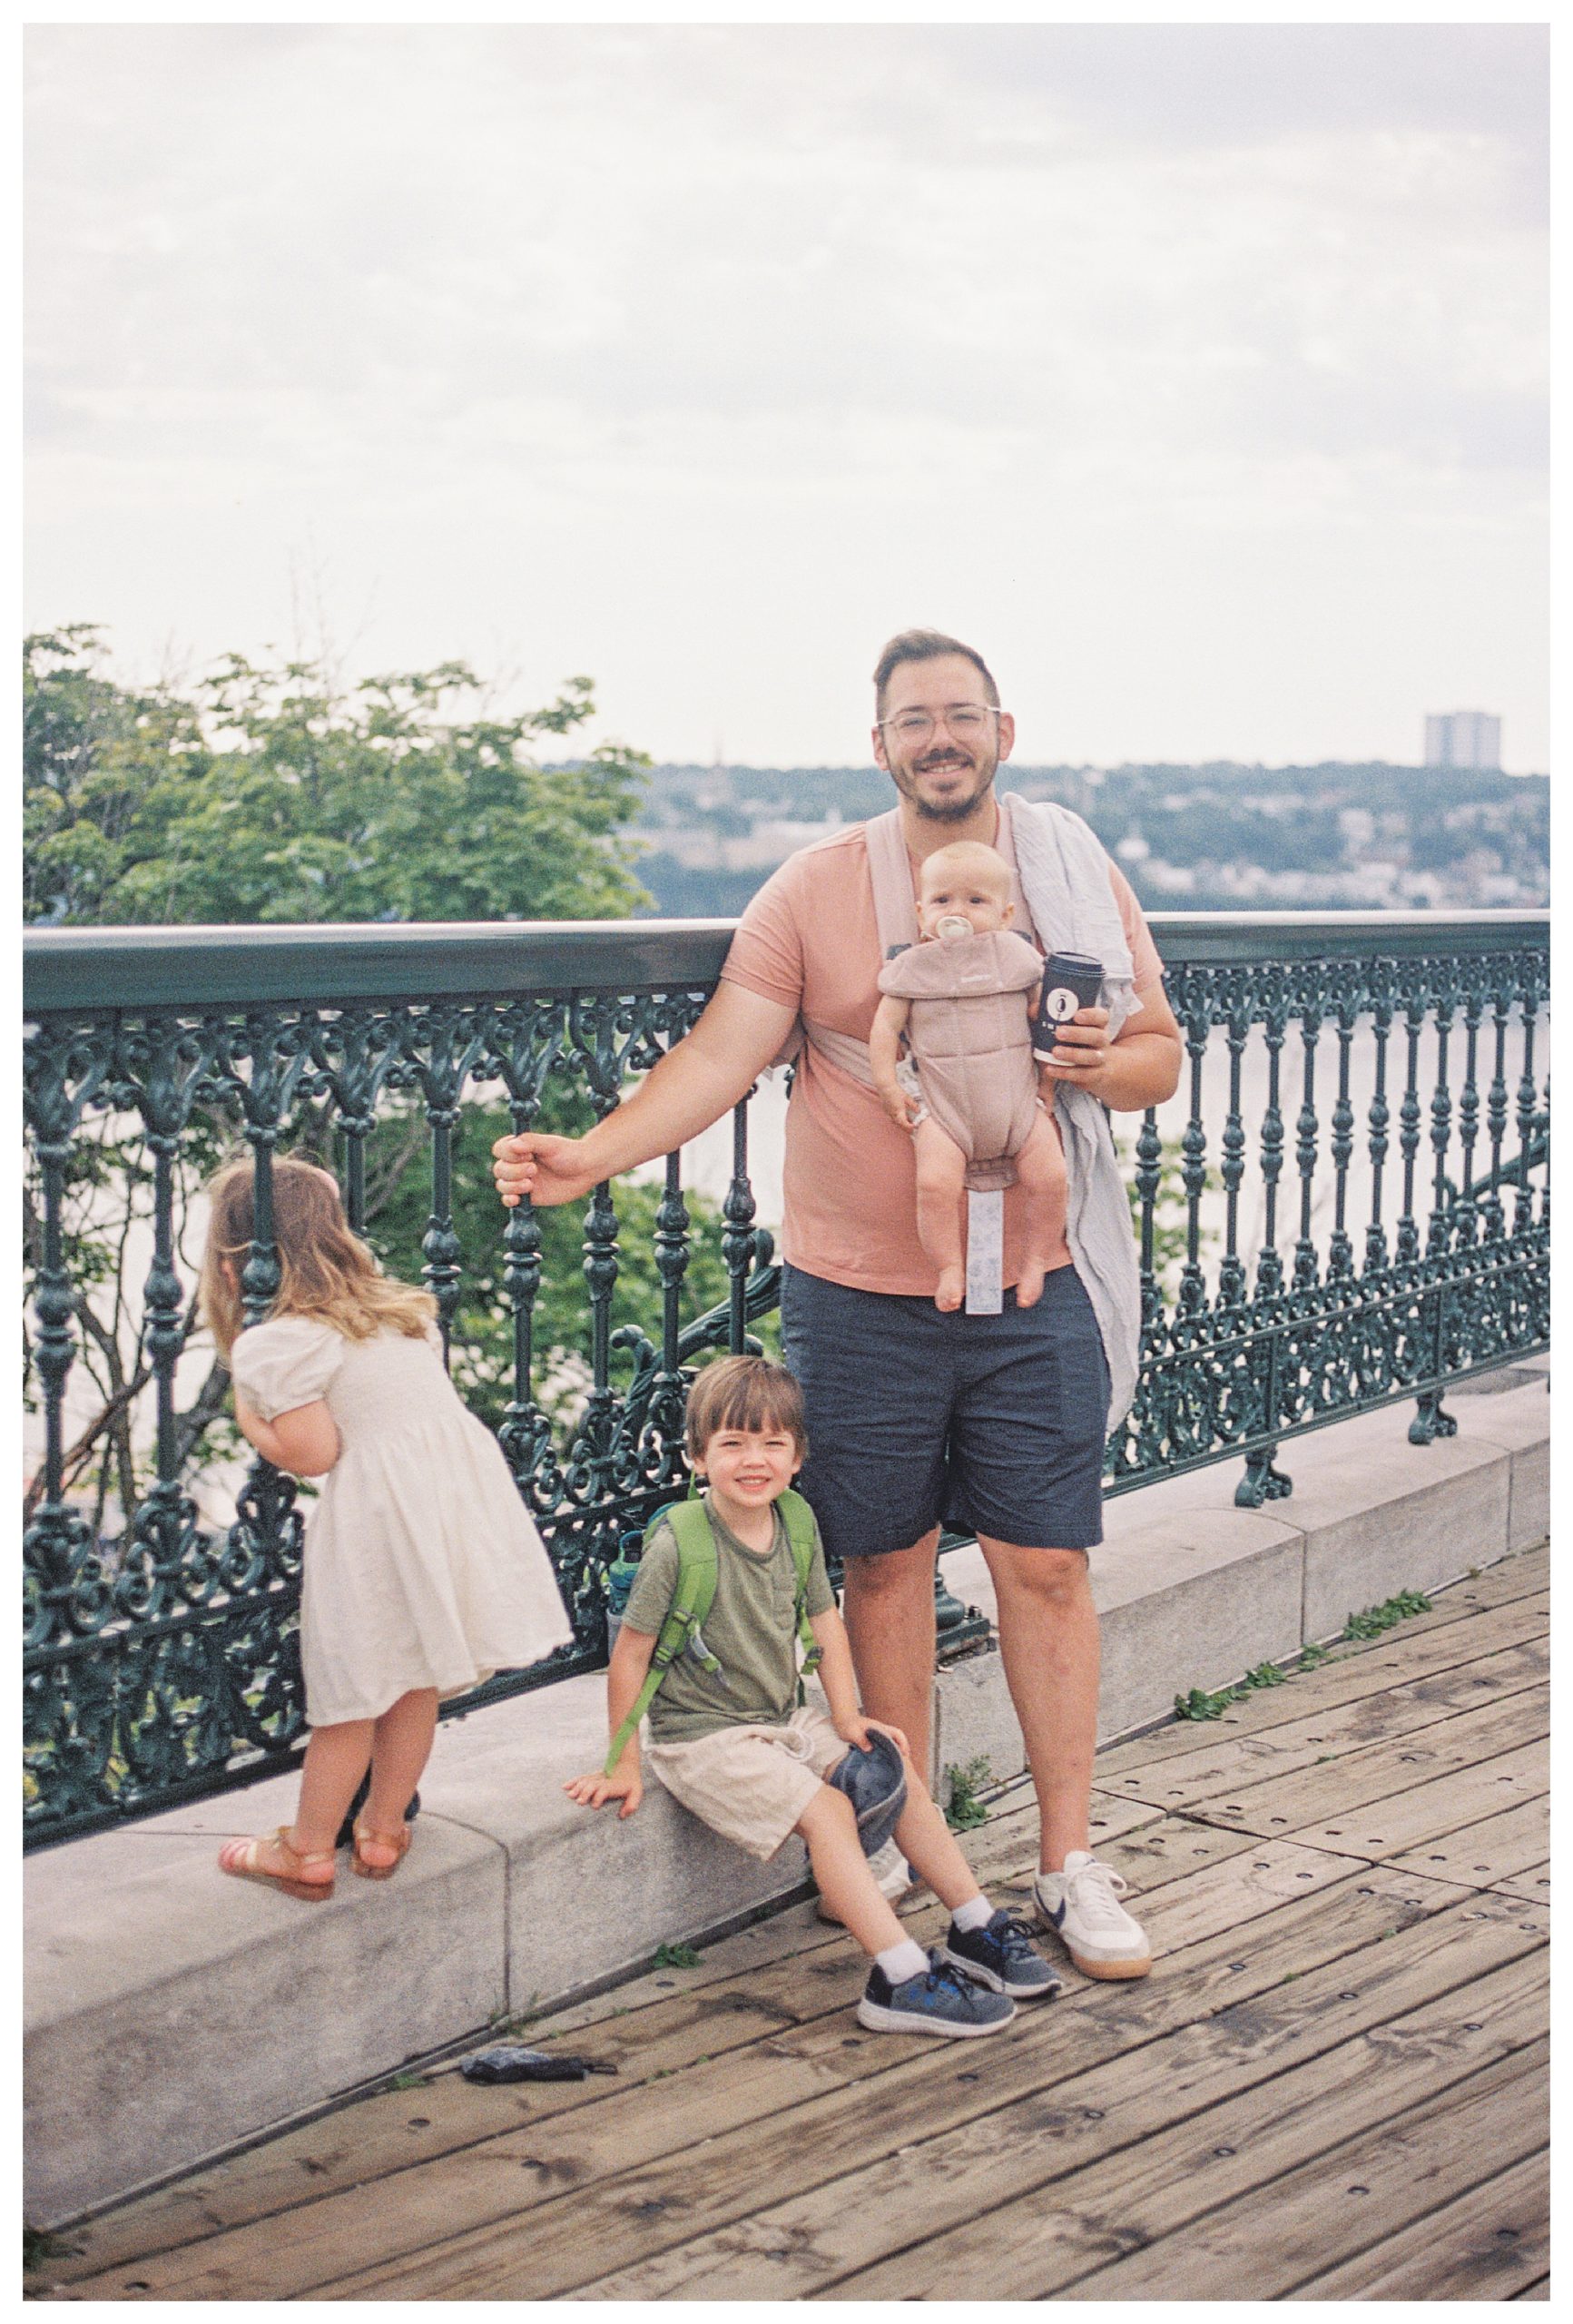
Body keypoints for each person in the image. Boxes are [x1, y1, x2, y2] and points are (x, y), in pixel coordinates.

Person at [495, 630, 1183, 1981]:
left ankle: (1066, 1863)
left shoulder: (1071, 875)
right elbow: (718, 1054)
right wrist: (589, 1157)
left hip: (1031, 1285)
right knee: (884, 1567)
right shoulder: (813, 891)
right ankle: (891, 1846)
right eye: (914, 719)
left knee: (1047, 1565)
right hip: (859, 1298)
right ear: (880, 748)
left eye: (961, 715)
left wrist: (1108, 1062)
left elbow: (1159, 1055)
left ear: (1002, 732)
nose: (940, 737)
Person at [566, 1355, 1059, 2034]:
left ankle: (975, 1924)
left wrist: (850, 1713)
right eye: (732, 1443)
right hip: (703, 1735)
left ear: (798, 1457)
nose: (753, 1460)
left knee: (893, 1766)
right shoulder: (679, 1546)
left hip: (779, 1715)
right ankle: (898, 1978)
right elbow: (631, 1654)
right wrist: (622, 1761)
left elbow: (825, 1618)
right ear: (696, 1455)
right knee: (828, 1813)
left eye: (772, 1444)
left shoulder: (795, 1520)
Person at [202, 1155, 573, 1901]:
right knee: (415, 1679)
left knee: (353, 1688)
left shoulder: (276, 1341)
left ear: (233, 1256)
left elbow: (314, 1453)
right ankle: (382, 1829)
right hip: (448, 1505)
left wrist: (247, 1411)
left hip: (378, 1519)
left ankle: (306, 1849)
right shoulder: (400, 1312)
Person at [870, 839, 1066, 1313]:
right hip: (946, 1112)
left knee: (1052, 1177)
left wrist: (1048, 1081)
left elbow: (1048, 1024)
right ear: (921, 914)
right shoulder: (911, 969)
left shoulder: (1019, 960)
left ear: (1005, 914)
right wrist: (888, 1085)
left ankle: (1037, 1258)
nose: (957, 910)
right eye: (942, 900)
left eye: (976, 901)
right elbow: (885, 1028)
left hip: (1018, 1106)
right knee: (934, 1186)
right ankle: (949, 1267)